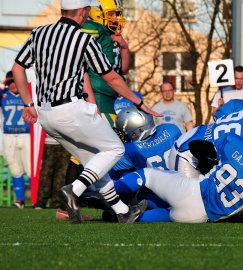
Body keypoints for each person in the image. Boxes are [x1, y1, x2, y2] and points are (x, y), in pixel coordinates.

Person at [12, 0, 160, 224]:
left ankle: (122, 212)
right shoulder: (83, 39)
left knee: (93, 162)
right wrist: (139, 103)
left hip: (46, 114)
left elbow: (17, 68)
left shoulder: (39, 33)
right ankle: (74, 190)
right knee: (115, 149)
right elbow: (110, 77)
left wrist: (28, 104)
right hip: (71, 109)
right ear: (82, 12)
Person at [114, 130, 243, 224]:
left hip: (192, 191)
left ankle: (109, 196)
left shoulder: (236, 144)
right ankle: (126, 216)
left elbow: (199, 146)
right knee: (167, 215)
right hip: (200, 217)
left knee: (146, 175)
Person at [83, 0, 130, 127]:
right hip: (98, 96)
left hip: (109, 99)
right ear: (97, 13)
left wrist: (124, 48)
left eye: (117, 14)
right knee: (115, 140)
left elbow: (123, 70)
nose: (116, 18)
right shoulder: (94, 31)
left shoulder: (112, 35)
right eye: (112, 14)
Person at [0, 77, 30, 208]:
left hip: (27, 135)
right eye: (11, 83)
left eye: (16, 81)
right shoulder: (3, 95)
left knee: (31, 169)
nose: (13, 85)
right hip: (9, 136)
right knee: (15, 168)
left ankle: (35, 199)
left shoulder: (29, 93)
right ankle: (20, 201)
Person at [34, 134, 71, 209]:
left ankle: (57, 201)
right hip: (48, 142)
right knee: (46, 172)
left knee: (62, 174)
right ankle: (41, 200)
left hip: (66, 143)